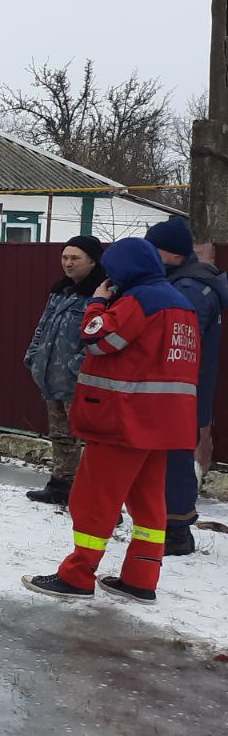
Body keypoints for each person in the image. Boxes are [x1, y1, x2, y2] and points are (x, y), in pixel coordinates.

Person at [21, 238, 200, 604]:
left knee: (93, 499)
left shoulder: (140, 300)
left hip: (125, 417)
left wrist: (99, 301)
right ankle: (141, 578)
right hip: (164, 421)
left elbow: (98, 338)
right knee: (149, 501)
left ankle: (77, 576)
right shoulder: (182, 304)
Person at [144, 216, 228, 556]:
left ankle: (176, 531)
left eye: (153, 250)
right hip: (181, 390)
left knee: (175, 460)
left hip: (179, 392)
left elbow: (171, 341)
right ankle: (162, 523)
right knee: (166, 457)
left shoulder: (190, 291)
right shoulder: (185, 282)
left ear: (174, 255)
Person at [22, 235, 105, 504]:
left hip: (79, 381)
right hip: (50, 374)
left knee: (86, 438)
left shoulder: (102, 294)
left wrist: (76, 367)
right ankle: (61, 484)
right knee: (60, 434)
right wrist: (33, 356)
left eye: (75, 258)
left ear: (92, 262)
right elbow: (43, 325)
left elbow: (98, 337)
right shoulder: (60, 290)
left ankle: (92, 494)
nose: (68, 264)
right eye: (65, 258)